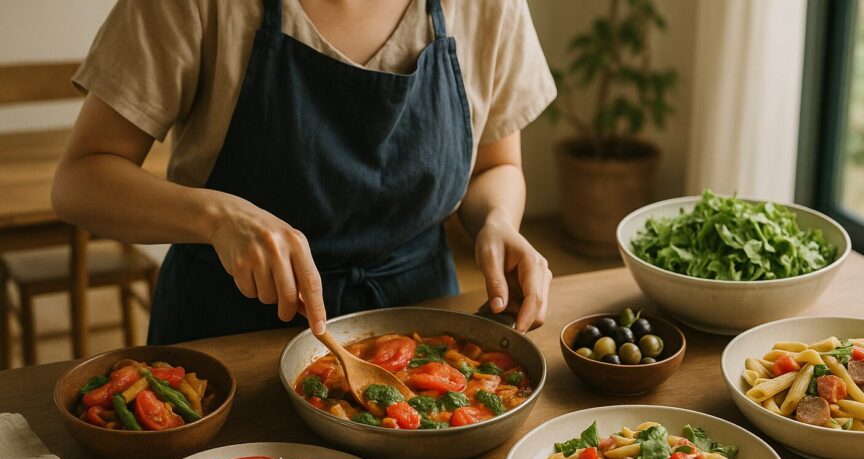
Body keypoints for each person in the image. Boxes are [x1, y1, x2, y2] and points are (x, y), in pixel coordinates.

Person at [52, 0, 556, 343]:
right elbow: (81, 180)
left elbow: (496, 165)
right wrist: (217, 217)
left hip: (421, 334)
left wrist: (498, 221)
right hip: (227, 339)